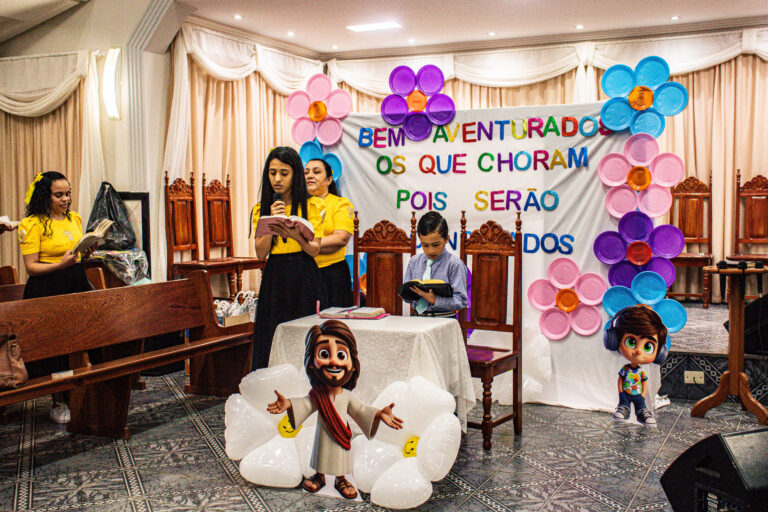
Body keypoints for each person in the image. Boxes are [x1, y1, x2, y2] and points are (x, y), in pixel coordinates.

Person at [267, 320, 403, 499]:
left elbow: (360, 410)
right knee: (321, 452)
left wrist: (379, 414)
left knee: (340, 456)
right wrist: (289, 404)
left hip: (341, 436)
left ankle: (341, 479)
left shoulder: (346, 396)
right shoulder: (318, 395)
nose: (333, 361)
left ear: (352, 363)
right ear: (311, 362)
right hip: (323, 433)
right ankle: (320, 476)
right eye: (324, 353)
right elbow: (306, 405)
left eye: (341, 355)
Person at [17, 171, 94, 423]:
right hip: (47, 287)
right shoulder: (33, 224)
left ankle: (81, 395)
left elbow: (76, 256)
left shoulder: (74, 218)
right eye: (58, 195)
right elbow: (31, 267)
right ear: (45, 196)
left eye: (67, 193)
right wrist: (60, 264)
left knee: (81, 340)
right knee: (56, 348)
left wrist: (86, 253)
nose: (65, 199)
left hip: (75, 282)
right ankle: (58, 401)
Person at [251, 147, 328, 369]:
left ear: (295, 175)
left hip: (304, 273)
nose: (277, 179)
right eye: (272, 172)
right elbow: (260, 253)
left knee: (306, 334)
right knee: (272, 331)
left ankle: (310, 380)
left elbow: (314, 250)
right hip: (275, 274)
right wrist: (272, 221)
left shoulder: (312, 205)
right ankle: (271, 380)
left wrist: (296, 236)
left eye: (284, 173)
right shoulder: (261, 209)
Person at [603, 305, 669, 426]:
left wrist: (643, 394)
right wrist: (620, 390)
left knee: (641, 405)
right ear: (615, 340)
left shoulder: (641, 372)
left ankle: (642, 412)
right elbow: (621, 379)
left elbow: (644, 382)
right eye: (631, 342)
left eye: (648, 347)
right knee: (624, 403)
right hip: (625, 393)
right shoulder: (625, 369)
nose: (638, 351)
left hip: (638, 394)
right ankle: (624, 409)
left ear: (659, 352)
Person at [304, 158, 354, 307]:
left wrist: (304, 244)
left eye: (316, 172)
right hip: (303, 273)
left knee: (333, 320)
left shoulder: (341, 204)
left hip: (332, 274)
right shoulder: (297, 205)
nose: (310, 176)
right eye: (306, 173)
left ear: (329, 180)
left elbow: (341, 238)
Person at [402, 211, 468, 317]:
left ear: (446, 239)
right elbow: (406, 297)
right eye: (425, 245)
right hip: (417, 317)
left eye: (436, 245)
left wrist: (435, 300)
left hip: (444, 318)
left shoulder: (454, 264)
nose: (430, 250)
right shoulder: (414, 262)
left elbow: (461, 301)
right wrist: (408, 294)